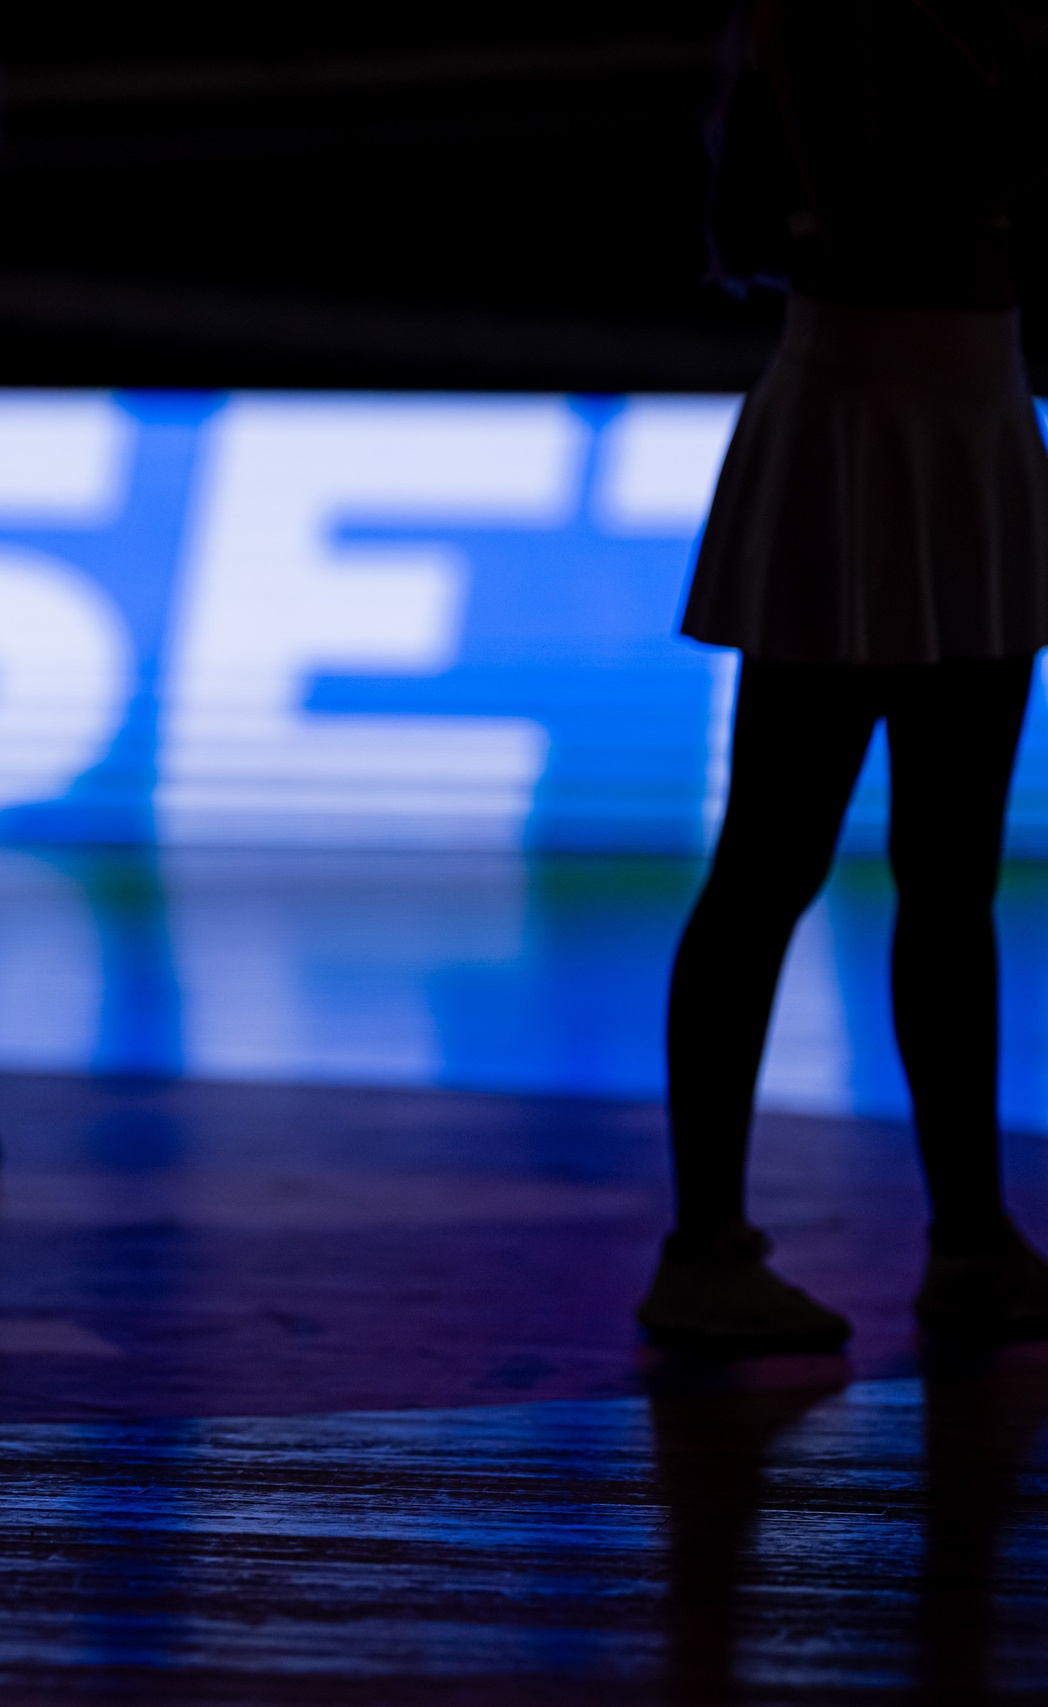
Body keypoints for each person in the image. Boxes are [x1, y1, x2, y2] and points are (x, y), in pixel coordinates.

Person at [640, 0, 1048, 1354]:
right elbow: (854, 215)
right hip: (873, 425)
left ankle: (971, 1236)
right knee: (775, 861)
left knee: (944, 872)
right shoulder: (832, 16)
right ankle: (710, 1245)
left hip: (961, 418)